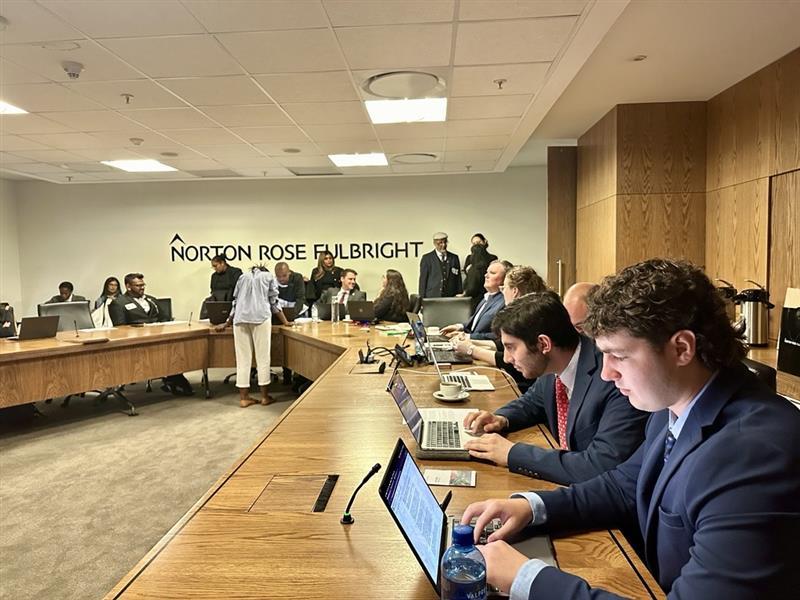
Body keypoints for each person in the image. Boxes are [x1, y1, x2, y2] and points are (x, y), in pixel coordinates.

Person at [462, 259, 800, 598]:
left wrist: (527, 579)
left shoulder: (754, 456)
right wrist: (532, 507)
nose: (606, 373)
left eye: (619, 356)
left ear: (681, 348)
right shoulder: (673, 404)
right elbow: (624, 484)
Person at [461, 290, 647, 484]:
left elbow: (599, 465)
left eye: (511, 347)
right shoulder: (553, 365)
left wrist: (512, 453)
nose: (507, 358)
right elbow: (532, 402)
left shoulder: (614, 379)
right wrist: (501, 418)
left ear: (544, 344)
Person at [454, 266, 547, 392]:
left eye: (504, 288)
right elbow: (501, 345)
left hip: (522, 384)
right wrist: (470, 342)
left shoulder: (527, 317)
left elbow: (509, 361)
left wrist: (471, 349)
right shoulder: (531, 310)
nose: (502, 292)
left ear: (515, 291)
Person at [216, 266, 289, 408]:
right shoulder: (268, 277)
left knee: (242, 359)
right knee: (263, 358)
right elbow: (274, 301)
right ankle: (265, 397)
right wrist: (285, 322)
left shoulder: (242, 277)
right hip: (261, 318)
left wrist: (226, 323)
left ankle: (244, 398)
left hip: (240, 319)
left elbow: (235, 303)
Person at [109, 273, 193, 395]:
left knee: (174, 350)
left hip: (158, 337)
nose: (142, 288)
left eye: (143, 285)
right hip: (136, 342)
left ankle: (174, 378)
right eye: (138, 285)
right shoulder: (119, 303)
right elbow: (120, 327)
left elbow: (165, 318)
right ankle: (173, 380)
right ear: (128, 287)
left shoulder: (151, 300)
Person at [441, 260, 507, 340]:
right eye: (487, 272)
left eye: (492, 273)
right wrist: (458, 327)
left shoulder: (505, 302)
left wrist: (468, 336)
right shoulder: (486, 297)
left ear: (505, 279)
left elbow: (500, 336)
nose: (486, 275)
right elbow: (474, 324)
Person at [418, 232, 462, 298]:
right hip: (432, 297)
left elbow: (458, 279)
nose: (443, 245)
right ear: (435, 243)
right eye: (440, 243)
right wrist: (422, 299)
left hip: (450, 297)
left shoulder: (454, 258)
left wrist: (460, 294)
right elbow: (423, 281)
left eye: (445, 242)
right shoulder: (427, 258)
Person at [462, 243, 493, 311]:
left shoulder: (474, 269)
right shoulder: (487, 267)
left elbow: (471, 288)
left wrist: (465, 294)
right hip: (484, 298)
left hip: (473, 300)